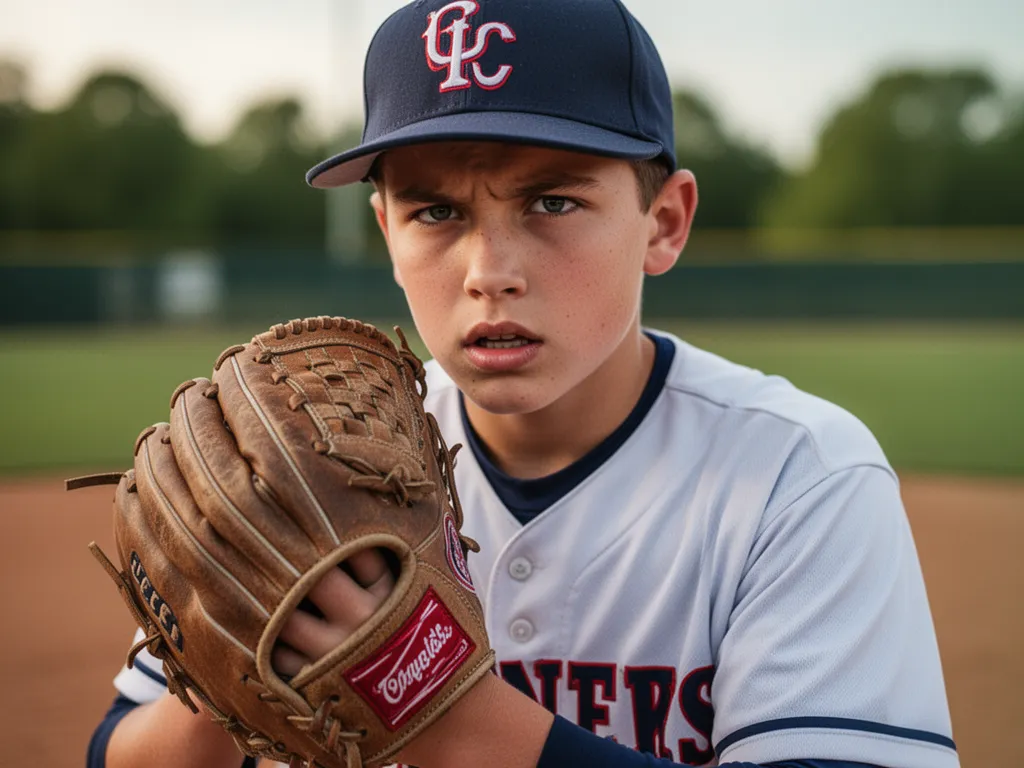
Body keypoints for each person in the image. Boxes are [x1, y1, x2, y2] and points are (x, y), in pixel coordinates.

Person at [88, 1, 958, 767]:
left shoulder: (798, 475)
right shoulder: (296, 460)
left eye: (551, 203)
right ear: (386, 230)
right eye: (437, 211)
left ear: (664, 222)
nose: (489, 271)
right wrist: (227, 682)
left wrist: (416, 691)